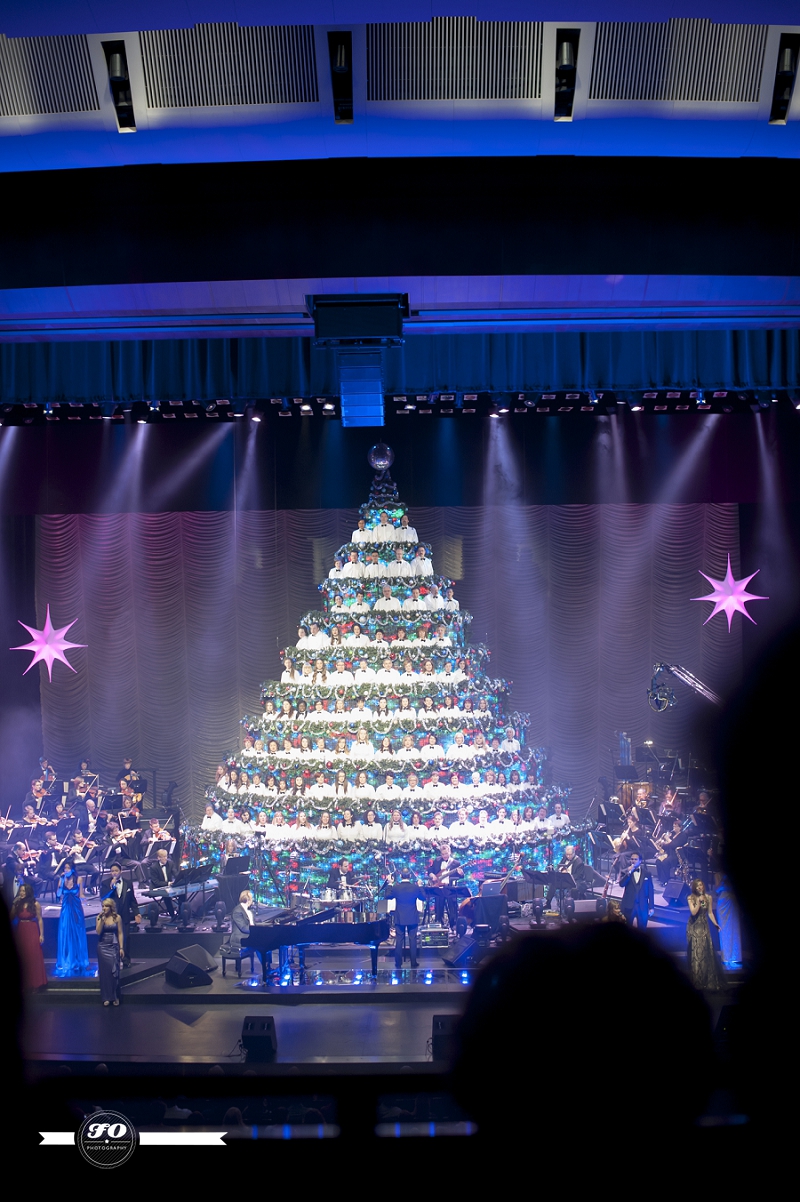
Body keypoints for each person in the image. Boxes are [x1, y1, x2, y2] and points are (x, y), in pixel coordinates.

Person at [55, 861, 90, 976]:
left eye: (68, 868)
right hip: (66, 909)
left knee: (77, 933)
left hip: (76, 909)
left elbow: (81, 894)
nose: (66, 870)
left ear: (73, 869)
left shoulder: (79, 879)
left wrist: (84, 899)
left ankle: (78, 960)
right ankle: (66, 960)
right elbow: (58, 894)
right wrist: (61, 881)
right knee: (65, 932)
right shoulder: (62, 879)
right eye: (65, 868)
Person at [387, 868, 427, 969]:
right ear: (410, 876)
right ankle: (413, 962)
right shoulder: (415, 887)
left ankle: (398, 963)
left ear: (401, 876)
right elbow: (423, 897)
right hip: (412, 917)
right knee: (413, 940)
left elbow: (387, 896)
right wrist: (421, 886)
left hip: (400, 917)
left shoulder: (396, 887)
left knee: (399, 940)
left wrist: (390, 883)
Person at [11, 883, 47, 991]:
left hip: (32, 929)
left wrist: (41, 934)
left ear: (28, 892)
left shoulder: (35, 904)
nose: (21, 893)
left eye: (23, 891)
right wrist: (14, 904)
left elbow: (40, 919)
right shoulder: (18, 903)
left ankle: (35, 984)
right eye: (20, 891)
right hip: (21, 929)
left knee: (33, 956)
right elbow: (11, 917)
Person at [102, 862, 140, 967]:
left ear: (120, 871)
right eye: (112, 871)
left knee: (126, 937)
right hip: (112, 917)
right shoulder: (105, 883)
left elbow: (132, 900)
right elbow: (103, 898)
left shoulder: (128, 883)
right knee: (112, 939)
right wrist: (111, 887)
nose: (114, 873)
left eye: (116, 871)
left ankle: (126, 960)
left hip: (125, 915)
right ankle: (114, 961)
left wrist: (137, 913)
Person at [686, 879, 721, 990]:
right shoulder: (690, 898)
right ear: (694, 888)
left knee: (706, 952)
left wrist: (716, 924)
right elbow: (693, 912)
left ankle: (707, 981)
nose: (699, 887)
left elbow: (710, 913)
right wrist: (699, 902)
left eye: (701, 885)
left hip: (704, 926)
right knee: (696, 954)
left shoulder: (709, 898)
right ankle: (697, 982)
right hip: (694, 927)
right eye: (697, 886)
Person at [428, 843, 464, 930]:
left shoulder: (456, 863)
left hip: (450, 888)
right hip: (439, 887)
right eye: (442, 854)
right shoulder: (437, 861)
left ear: (450, 852)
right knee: (439, 906)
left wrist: (461, 873)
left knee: (452, 907)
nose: (444, 856)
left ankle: (453, 925)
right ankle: (439, 924)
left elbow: (461, 876)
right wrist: (432, 874)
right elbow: (430, 870)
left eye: (446, 854)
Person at [95, 898, 124, 1005]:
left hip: (114, 946)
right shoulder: (99, 917)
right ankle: (106, 997)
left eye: (106, 906)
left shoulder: (117, 918)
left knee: (114, 971)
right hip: (102, 946)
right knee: (105, 973)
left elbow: (120, 933)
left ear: (111, 907)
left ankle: (115, 996)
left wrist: (121, 948)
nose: (104, 908)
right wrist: (101, 920)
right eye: (103, 906)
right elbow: (98, 932)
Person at [619, 852, 654, 929]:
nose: (633, 861)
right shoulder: (625, 872)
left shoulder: (647, 873)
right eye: (632, 859)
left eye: (635, 859)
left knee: (642, 930)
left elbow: (650, 890)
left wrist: (651, 907)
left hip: (642, 905)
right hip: (629, 905)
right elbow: (621, 884)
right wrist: (629, 873)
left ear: (640, 861)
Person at [148, 848, 178, 918]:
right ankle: (172, 915)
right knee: (166, 896)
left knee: (182, 893)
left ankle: (181, 913)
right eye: (163, 857)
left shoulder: (170, 863)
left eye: (166, 856)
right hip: (158, 887)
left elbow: (175, 874)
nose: (165, 859)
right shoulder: (153, 867)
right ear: (158, 858)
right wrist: (168, 883)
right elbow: (156, 882)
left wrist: (179, 879)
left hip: (169, 885)